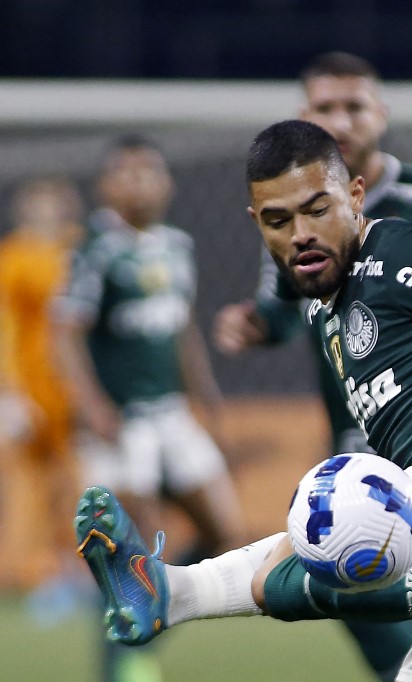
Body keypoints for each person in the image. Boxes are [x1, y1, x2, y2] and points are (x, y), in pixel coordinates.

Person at [76, 119, 412, 682]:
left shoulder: (406, 249)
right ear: (258, 224)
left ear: (354, 195)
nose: (300, 232)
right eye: (279, 220)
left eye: (317, 210)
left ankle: (176, 591)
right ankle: (173, 592)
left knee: (335, 518)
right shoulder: (325, 308)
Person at [213, 54, 412, 678]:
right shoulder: (291, 218)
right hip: (358, 427)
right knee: (344, 565)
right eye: (326, 108)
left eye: (354, 106)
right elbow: (279, 307)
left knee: (399, 565)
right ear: (307, 118)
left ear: (380, 115)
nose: (343, 119)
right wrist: (253, 323)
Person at [53, 136, 249, 681]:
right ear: (106, 186)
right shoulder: (93, 247)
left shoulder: (175, 245)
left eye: (150, 171)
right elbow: (65, 331)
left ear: (168, 183)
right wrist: (90, 403)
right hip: (123, 419)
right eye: (128, 172)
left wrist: (205, 395)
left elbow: (181, 326)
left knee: (222, 527)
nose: (141, 182)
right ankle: (121, 664)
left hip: (173, 415)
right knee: (127, 544)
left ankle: (153, 614)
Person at [0, 175, 84, 603]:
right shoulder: (14, 257)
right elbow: (8, 326)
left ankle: (82, 571)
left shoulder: (80, 250)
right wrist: (10, 390)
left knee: (80, 482)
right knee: (36, 484)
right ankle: (38, 572)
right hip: (36, 387)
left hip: (79, 386)